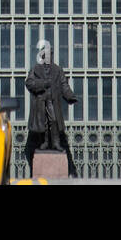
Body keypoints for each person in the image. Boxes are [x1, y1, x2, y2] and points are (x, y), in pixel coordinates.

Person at [24, 39, 78, 175]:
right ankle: (44, 142)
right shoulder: (35, 69)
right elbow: (29, 83)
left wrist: (70, 96)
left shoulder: (57, 70)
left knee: (54, 121)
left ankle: (55, 143)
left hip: (53, 101)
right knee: (43, 123)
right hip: (41, 101)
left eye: (50, 54)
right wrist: (43, 83)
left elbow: (64, 85)